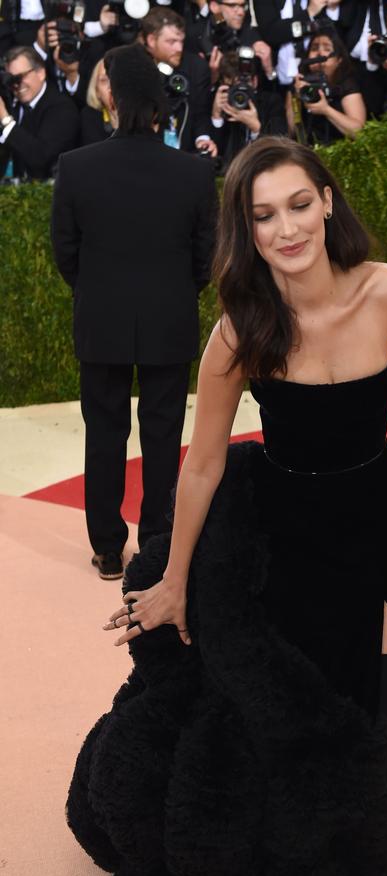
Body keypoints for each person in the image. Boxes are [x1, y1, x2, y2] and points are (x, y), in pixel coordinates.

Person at [65, 136, 387, 876]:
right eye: (262, 215)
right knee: (288, 699)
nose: (285, 228)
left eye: (297, 205)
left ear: (326, 198)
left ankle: (363, 842)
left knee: (382, 683)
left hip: (373, 517)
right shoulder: (241, 328)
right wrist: (171, 580)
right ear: (245, 228)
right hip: (280, 526)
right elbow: (198, 466)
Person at [50, 43, 218, 580]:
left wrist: (98, 290)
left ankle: (106, 547)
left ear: (111, 96)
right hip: (169, 320)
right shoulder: (193, 173)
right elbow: (205, 257)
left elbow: (65, 253)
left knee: (104, 432)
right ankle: (158, 542)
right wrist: (173, 292)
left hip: (101, 320)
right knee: (165, 434)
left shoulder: (76, 167)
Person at [140, 8, 216, 155]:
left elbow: (201, 113)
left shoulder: (197, 68)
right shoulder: (133, 65)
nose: (179, 48)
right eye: (171, 42)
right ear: (151, 40)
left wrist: (202, 139)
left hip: (184, 153)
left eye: (181, 41)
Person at [0, 44, 79, 179]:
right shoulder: (12, 103)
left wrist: (5, 120)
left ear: (41, 73)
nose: (16, 85)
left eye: (20, 77)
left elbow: (41, 158)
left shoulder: (62, 108)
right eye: (11, 79)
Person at [288, 24, 366, 145]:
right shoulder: (300, 82)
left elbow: (359, 132)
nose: (320, 54)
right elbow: (291, 129)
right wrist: (296, 97)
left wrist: (326, 110)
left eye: (327, 49)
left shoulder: (346, 84)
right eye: (314, 49)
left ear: (339, 60)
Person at [209, 49, 287, 169]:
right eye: (233, 87)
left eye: (244, 84)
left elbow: (280, 148)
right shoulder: (223, 103)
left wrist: (256, 128)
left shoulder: (271, 102)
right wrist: (216, 117)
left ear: (255, 82)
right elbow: (216, 156)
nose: (240, 92)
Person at [79, 57, 116, 144]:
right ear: (97, 91)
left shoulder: (142, 118)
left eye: (116, 78)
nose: (111, 87)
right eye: (104, 80)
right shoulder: (89, 118)